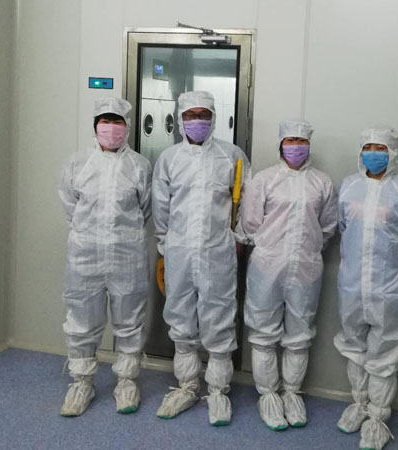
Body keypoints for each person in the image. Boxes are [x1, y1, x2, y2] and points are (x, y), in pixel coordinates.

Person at [152, 91, 251, 426]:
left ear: (213, 117)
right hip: (179, 252)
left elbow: (246, 200)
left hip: (218, 252)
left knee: (219, 318)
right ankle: (187, 387)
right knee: (180, 318)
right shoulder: (169, 159)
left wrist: (238, 237)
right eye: (191, 115)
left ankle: (219, 392)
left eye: (204, 115)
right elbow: (160, 205)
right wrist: (165, 244)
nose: (198, 121)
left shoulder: (231, 155)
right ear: (180, 119)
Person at [334, 127, 398, 449]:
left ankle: (377, 417)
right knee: (354, 345)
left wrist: (396, 270)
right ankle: (359, 404)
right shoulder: (349, 186)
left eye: (381, 148)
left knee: (385, 351)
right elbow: (343, 227)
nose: (373, 154)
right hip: (351, 283)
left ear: (392, 153)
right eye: (368, 147)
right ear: (360, 152)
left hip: (390, 284)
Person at [58, 97, 152, 416]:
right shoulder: (78, 163)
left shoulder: (139, 166)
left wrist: (122, 236)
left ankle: (127, 382)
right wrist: (90, 235)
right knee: (81, 321)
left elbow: (145, 209)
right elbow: (70, 205)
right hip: (85, 255)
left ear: (127, 126)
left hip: (128, 255)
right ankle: (81, 383)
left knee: (130, 322)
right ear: (95, 125)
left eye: (117, 121)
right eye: (105, 120)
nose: (110, 127)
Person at [241, 119, 338, 430]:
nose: (296, 146)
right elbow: (251, 224)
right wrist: (274, 248)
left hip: (307, 266)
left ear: (309, 145)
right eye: (290, 140)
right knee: (263, 333)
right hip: (267, 266)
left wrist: (306, 250)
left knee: (300, 334)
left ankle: (292, 394)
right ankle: (268, 395)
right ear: (281, 144)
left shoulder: (322, 182)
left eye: (301, 141)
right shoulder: (264, 179)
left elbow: (328, 227)